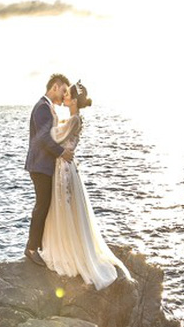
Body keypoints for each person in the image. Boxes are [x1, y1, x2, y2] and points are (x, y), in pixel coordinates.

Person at [40, 82, 131, 290]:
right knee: (64, 209)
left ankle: (69, 252)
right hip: (64, 166)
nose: (63, 96)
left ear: (72, 100)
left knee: (65, 209)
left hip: (64, 168)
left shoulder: (73, 120)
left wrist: (51, 119)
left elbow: (54, 137)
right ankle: (67, 247)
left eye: (67, 94)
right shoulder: (72, 119)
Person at [24, 73, 72, 266]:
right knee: (42, 206)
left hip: (44, 165)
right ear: (55, 86)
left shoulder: (48, 107)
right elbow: (45, 138)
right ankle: (31, 248)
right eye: (63, 91)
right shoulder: (42, 107)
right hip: (40, 165)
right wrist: (62, 152)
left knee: (45, 205)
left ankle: (39, 246)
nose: (64, 96)